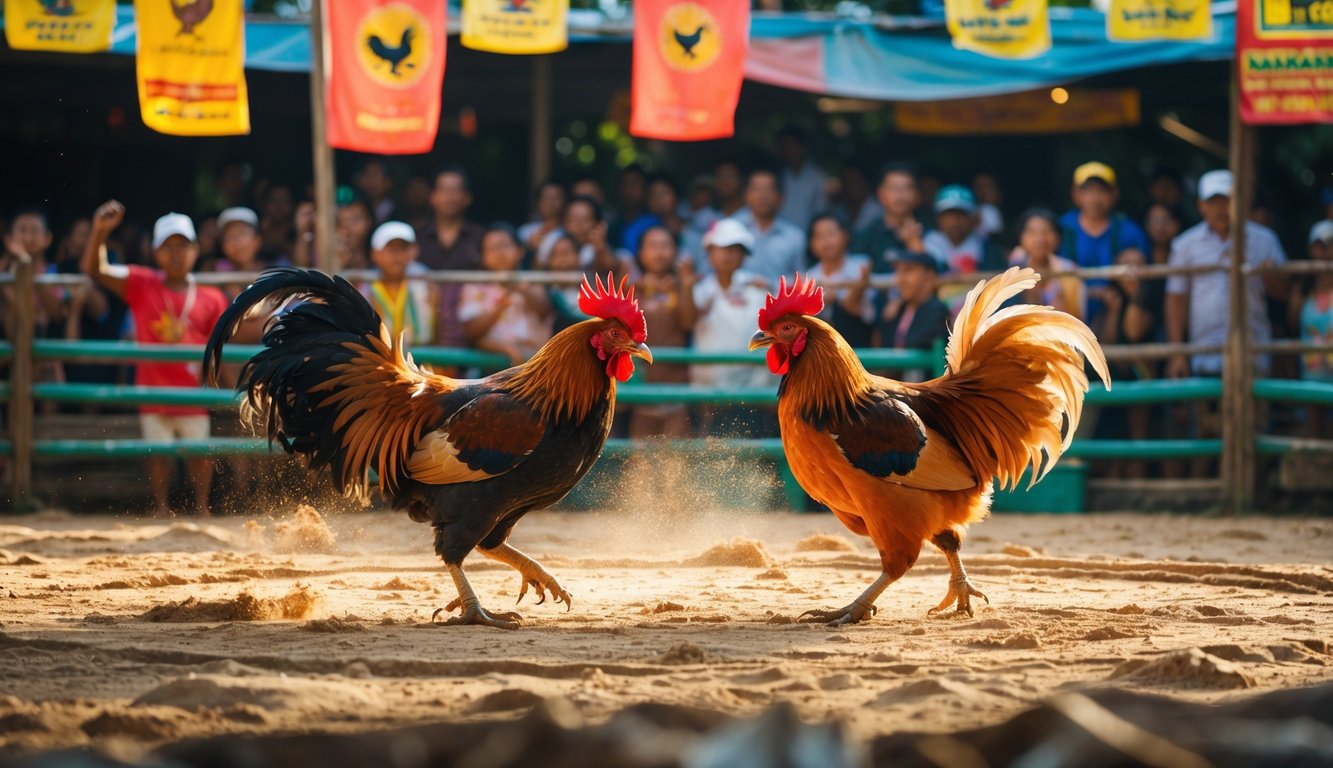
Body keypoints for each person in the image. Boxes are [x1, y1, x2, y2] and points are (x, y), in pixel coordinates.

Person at [80, 201, 229, 518]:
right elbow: (95, 269)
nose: (176, 253)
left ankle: (202, 508)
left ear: (196, 249)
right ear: (155, 251)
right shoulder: (140, 282)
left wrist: (232, 393)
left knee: (200, 454)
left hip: (192, 394)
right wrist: (100, 232)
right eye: (168, 246)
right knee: (157, 454)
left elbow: (221, 352)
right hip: (152, 390)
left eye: (183, 246)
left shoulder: (212, 296)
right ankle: (161, 507)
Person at [1165, 171, 1288, 475]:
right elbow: (1176, 299)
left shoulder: (1263, 239)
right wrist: (1178, 352)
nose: (1221, 208)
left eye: (1227, 200)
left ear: (1240, 202)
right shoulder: (1186, 244)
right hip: (1205, 351)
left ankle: (1251, 492)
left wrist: (1268, 274)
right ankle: (1203, 492)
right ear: (1201, 206)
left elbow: (1283, 292)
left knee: (1253, 427)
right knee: (1205, 428)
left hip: (1251, 349)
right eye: (1214, 201)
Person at [691, 219, 770, 433]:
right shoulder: (697, 290)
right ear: (710, 252)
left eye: (735, 249)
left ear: (744, 255)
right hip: (710, 390)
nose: (728, 255)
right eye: (722, 248)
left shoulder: (759, 289)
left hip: (754, 392)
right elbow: (686, 321)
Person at [630, 226, 697, 438]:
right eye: (652, 246)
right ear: (641, 253)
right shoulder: (632, 289)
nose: (659, 252)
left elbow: (688, 323)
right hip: (641, 392)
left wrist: (685, 287)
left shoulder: (682, 286)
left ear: (675, 251)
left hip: (675, 390)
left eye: (665, 245)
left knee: (677, 461)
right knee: (639, 461)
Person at [1060, 162, 1149, 321]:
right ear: (1076, 194)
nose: (1095, 198)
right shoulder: (1061, 229)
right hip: (1069, 317)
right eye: (1088, 190)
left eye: (1101, 190)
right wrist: (1089, 292)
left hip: (1119, 317)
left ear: (1114, 194)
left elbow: (1142, 283)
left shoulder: (1129, 231)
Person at [458, 228, 552, 365]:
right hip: (489, 369)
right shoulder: (474, 288)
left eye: (504, 245)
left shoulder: (534, 283)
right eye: (492, 248)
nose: (499, 253)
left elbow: (545, 310)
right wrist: (499, 309)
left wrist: (519, 286)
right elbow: (471, 333)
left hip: (537, 366)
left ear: (520, 251)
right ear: (483, 257)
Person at [418, 168, 486, 348]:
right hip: (425, 321)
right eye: (443, 190)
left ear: (467, 198)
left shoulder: (480, 237)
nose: (449, 196)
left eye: (455, 190)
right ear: (432, 197)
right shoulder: (417, 237)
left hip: (469, 322)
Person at [805, 213, 875, 348]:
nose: (826, 241)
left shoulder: (861, 267)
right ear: (812, 243)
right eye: (819, 236)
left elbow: (857, 310)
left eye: (831, 234)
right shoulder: (809, 277)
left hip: (858, 344)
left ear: (845, 235)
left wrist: (836, 299)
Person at [363, 221, 436, 346]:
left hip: (420, 360)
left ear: (412, 252)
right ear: (375, 254)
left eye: (402, 248)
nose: (397, 255)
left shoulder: (427, 286)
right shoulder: (364, 289)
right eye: (390, 249)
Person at [1293, 221, 1333, 437]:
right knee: (1314, 432)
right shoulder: (1302, 291)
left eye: (1330, 244)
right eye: (1320, 245)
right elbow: (1291, 323)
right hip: (1311, 372)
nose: (1325, 252)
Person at [1008, 208, 1085, 321]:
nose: (1040, 239)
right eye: (1032, 232)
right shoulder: (1012, 271)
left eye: (1046, 231)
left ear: (1058, 238)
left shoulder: (1069, 270)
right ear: (1021, 238)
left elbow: (1080, 321)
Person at [852, 162, 926, 276]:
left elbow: (934, 277)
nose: (901, 195)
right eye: (894, 188)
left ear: (917, 195)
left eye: (907, 188)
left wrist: (914, 243)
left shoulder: (930, 232)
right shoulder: (866, 236)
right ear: (881, 194)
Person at [733, 169, 805, 282]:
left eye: (768, 190)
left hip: (778, 297)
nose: (762, 196)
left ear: (781, 197)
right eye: (756, 189)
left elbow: (800, 279)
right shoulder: (733, 229)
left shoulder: (795, 236)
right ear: (746, 195)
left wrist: (772, 286)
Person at [776, 126, 828, 230]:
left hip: (808, 237)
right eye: (785, 146)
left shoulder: (817, 177)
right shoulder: (778, 176)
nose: (788, 151)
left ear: (803, 148)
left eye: (792, 146)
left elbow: (821, 212)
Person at [517, 181, 566, 257]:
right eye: (547, 197)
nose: (551, 202)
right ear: (537, 202)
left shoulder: (568, 231)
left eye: (556, 198)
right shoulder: (524, 231)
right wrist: (529, 245)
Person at [833, 163, 882, 233]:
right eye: (846, 181)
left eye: (854, 181)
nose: (849, 186)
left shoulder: (879, 213)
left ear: (865, 182)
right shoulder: (839, 211)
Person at [972, 172, 1004, 240]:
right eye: (979, 186)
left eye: (987, 186)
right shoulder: (966, 210)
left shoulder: (991, 210)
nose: (983, 191)